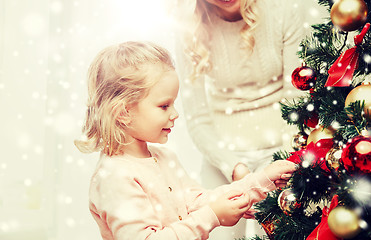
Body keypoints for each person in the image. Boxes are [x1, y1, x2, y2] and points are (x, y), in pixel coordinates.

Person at [74, 41, 297, 240]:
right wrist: (213, 216)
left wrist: (261, 181)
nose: (175, 113)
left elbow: (199, 202)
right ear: (123, 112)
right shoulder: (115, 177)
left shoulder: (164, 158)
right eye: (164, 105)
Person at [173, 0, 305, 238]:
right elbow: (197, 118)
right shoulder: (188, 27)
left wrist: (281, 165)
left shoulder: (282, 11)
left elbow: (297, 100)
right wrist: (235, 168)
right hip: (225, 157)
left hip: (281, 149)